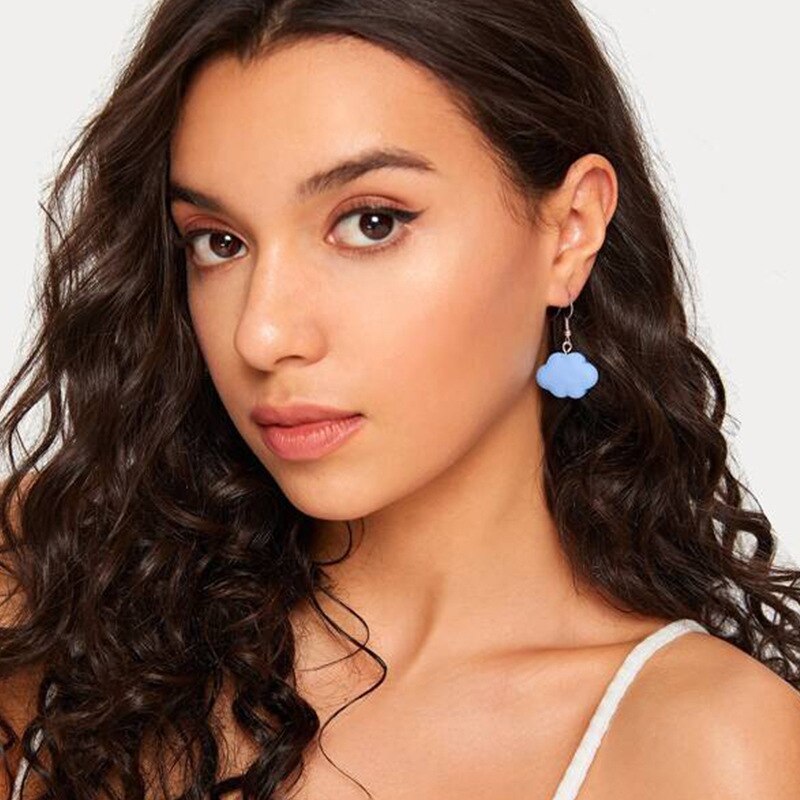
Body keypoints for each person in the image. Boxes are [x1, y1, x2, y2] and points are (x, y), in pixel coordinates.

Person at [1, 1, 798, 798]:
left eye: (371, 223)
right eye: (220, 241)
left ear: (570, 231)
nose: (262, 334)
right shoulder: (57, 595)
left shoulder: (706, 747)